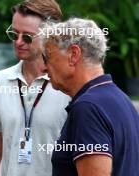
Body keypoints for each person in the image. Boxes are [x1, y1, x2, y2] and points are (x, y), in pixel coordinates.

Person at [41, 18, 139, 176]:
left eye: (48, 57)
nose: (43, 67)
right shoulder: (121, 99)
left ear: (73, 55)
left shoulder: (87, 107)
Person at [0, 0, 70, 175]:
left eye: (28, 37)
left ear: (50, 36)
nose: (18, 42)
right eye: (14, 34)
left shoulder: (69, 84)